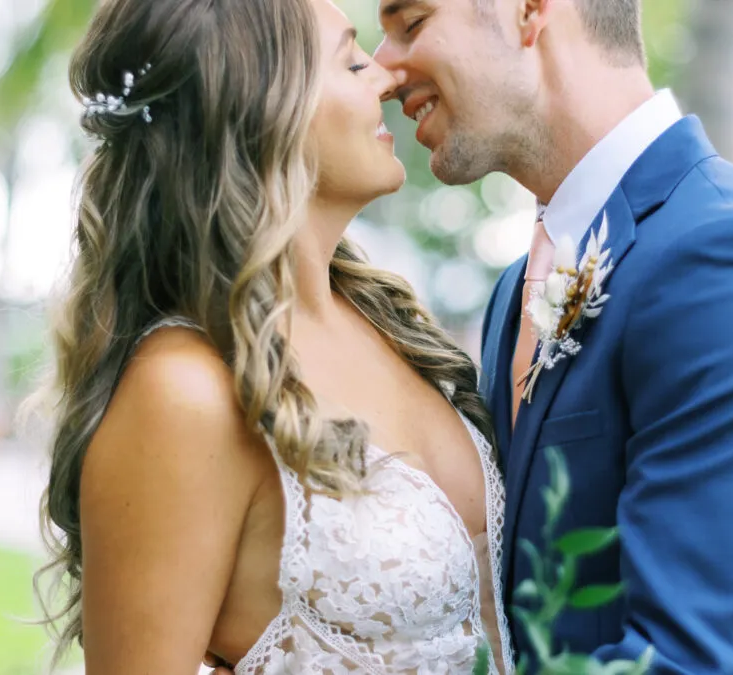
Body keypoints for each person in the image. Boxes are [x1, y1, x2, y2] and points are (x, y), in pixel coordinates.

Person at [371, 0, 733, 672]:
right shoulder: (514, 291)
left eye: (412, 24)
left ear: (528, 11)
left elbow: (690, 659)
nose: (382, 68)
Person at [34, 0, 512, 672]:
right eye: (350, 60)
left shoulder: (388, 321)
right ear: (258, 109)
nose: (384, 76)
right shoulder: (187, 391)